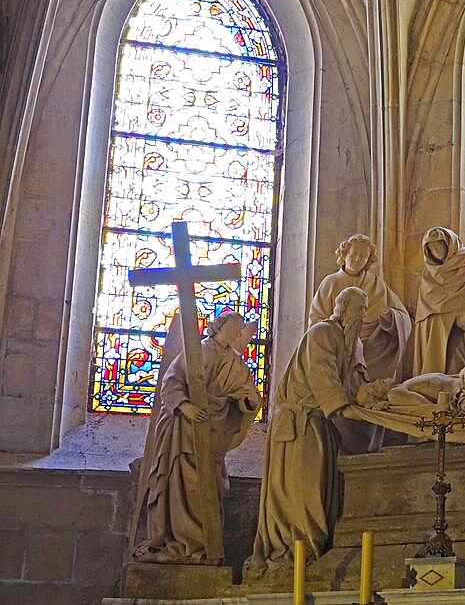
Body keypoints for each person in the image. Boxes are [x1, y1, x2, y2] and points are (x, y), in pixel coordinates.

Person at [244, 287, 369, 579]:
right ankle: (291, 552)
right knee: (302, 493)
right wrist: (347, 406)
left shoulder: (352, 344)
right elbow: (323, 378)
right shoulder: (323, 333)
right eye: (360, 308)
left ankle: (310, 551)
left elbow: (354, 382)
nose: (363, 315)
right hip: (301, 426)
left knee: (322, 494)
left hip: (325, 425)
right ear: (344, 307)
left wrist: (370, 396)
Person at [134, 311, 261, 564]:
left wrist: (247, 402)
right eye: (232, 330)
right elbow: (172, 381)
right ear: (219, 327)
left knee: (209, 489)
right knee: (182, 485)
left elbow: (248, 395)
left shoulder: (236, 363)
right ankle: (178, 544)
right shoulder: (198, 351)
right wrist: (185, 407)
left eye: (239, 331)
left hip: (213, 437)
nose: (236, 335)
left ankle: (201, 546)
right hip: (184, 433)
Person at [308, 234, 411, 382]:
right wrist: (337, 335)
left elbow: (403, 316)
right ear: (344, 254)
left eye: (362, 256)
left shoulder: (376, 283)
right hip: (338, 349)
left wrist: (390, 317)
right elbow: (316, 320)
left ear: (368, 260)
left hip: (374, 351)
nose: (357, 259)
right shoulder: (330, 283)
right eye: (353, 254)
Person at [413, 227, 465, 375]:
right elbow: (425, 317)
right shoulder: (428, 276)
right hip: (440, 339)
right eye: (432, 248)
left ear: (450, 244)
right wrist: (464, 315)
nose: (437, 250)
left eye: (439, 245)